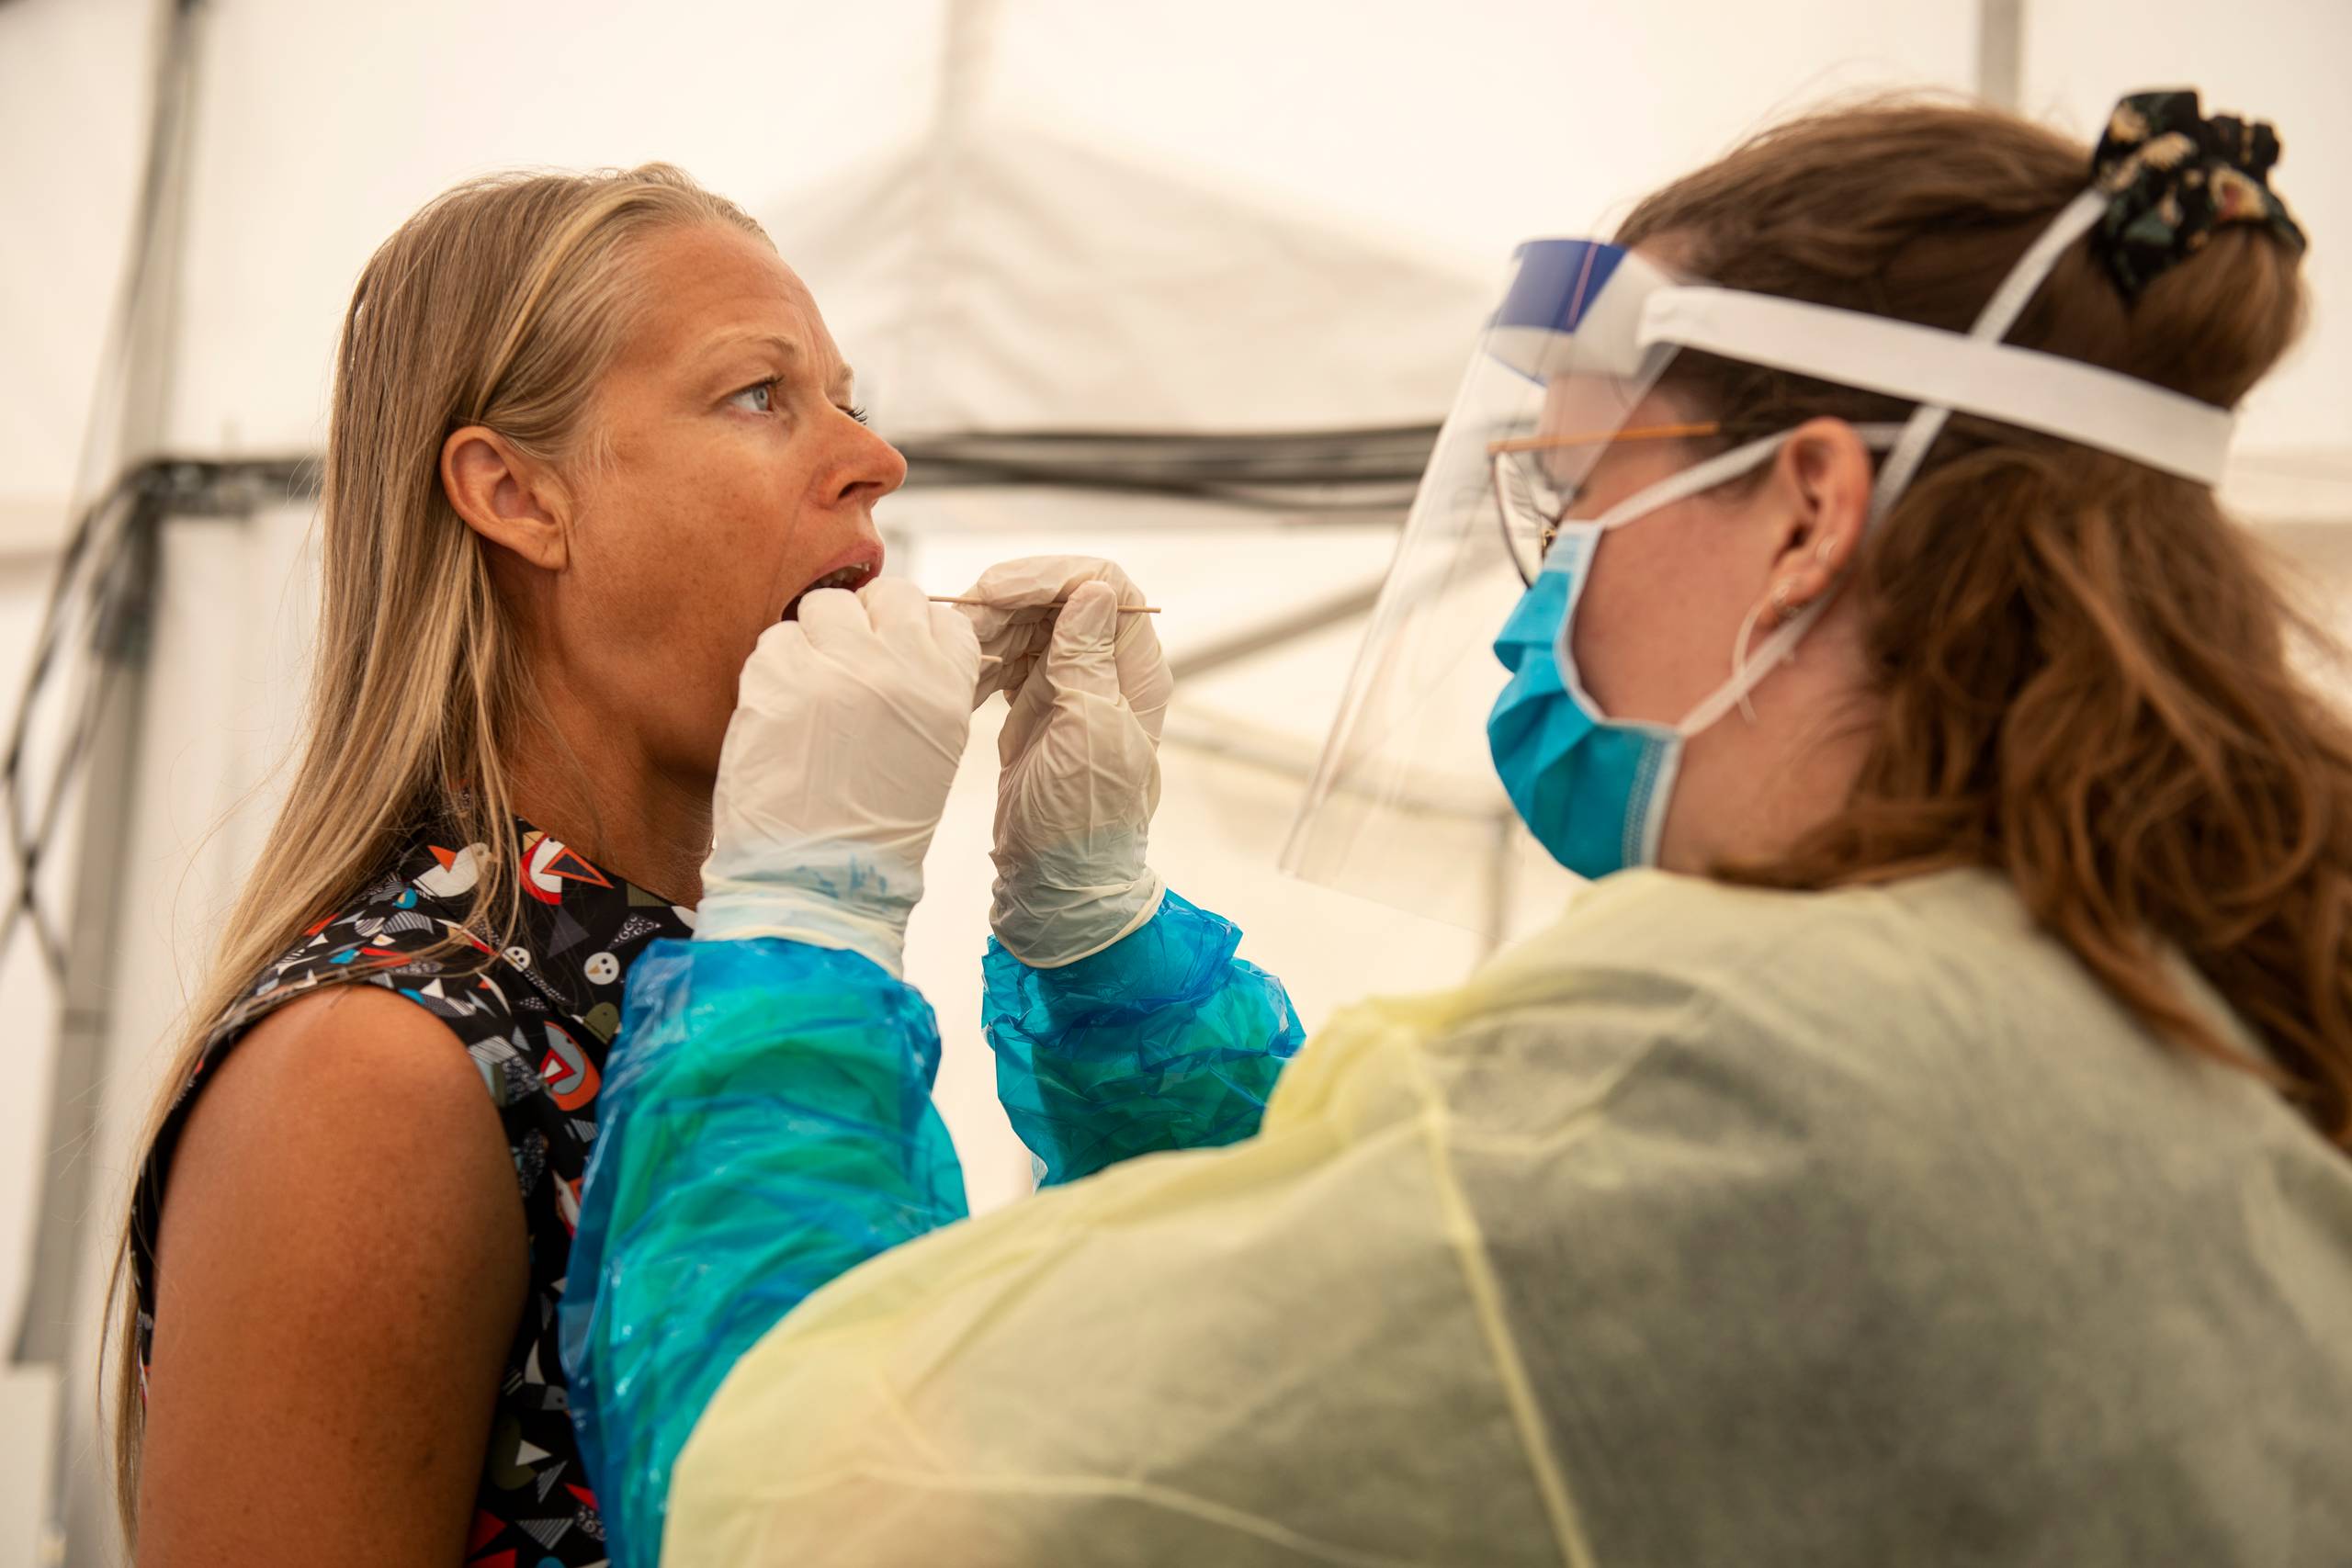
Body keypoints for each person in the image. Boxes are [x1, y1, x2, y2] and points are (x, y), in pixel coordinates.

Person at [563, 91, 2352, 1565]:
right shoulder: (2181, 978)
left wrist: (799, 928)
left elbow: (786, 1498)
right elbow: (1307, 1297)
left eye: (1576, 503)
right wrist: (1098, 945)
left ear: (1808, 511)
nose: (1540, 595)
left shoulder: (1721, 1067)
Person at [107, 163, 1289, 1565]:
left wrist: (1099, 934)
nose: (874, 459)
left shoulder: (725, 1001)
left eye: (853, 399)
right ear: (517, 497)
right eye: (760, 396)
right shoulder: (374, 1069)